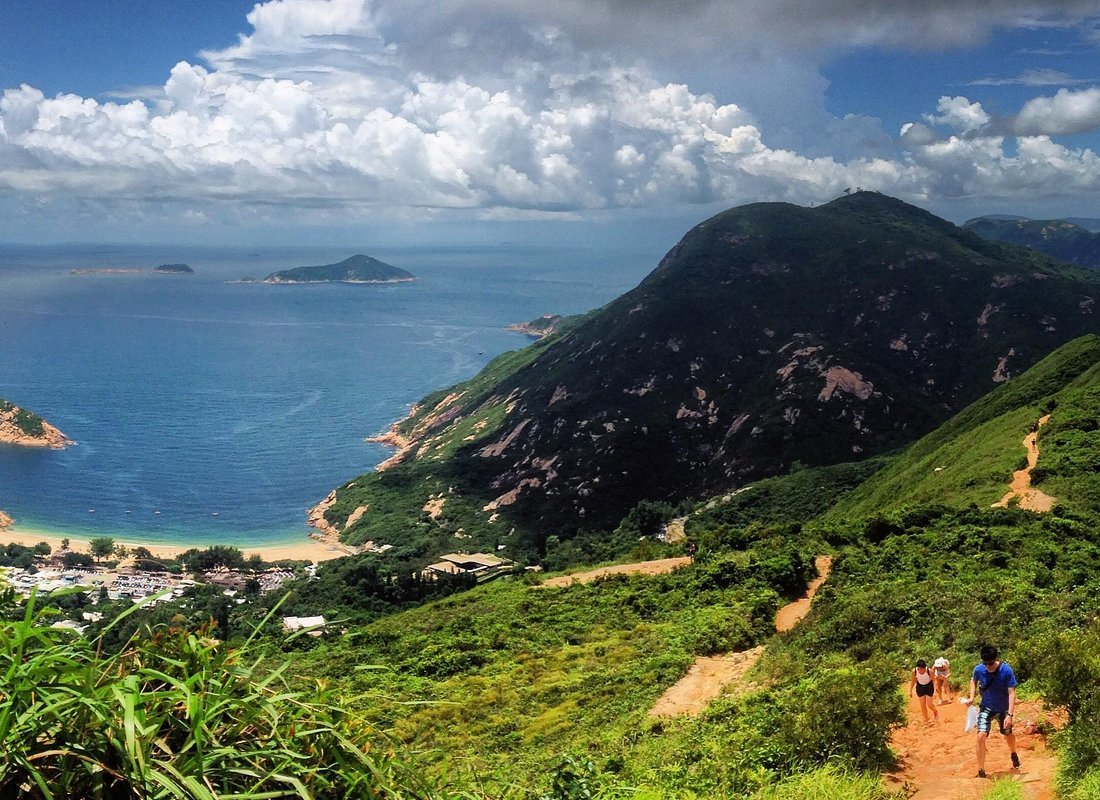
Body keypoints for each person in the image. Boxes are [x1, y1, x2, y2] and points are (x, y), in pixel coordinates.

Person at [966, 645, 1020, 778]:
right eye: (985, 664)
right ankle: (981, 770)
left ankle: (1013, 753)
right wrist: (972, 697)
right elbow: (973, 680)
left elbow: (1011, 693)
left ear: (995, 659)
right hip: (986, 707)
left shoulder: (1006, 671)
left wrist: (1010, 715)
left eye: (990, 664)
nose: (988, 667)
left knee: (1008, 734)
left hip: (1003, 709)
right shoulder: (979, 669)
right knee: (980, 736)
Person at [909, 659, 939, 723]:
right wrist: (910, 690)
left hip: (929, 686)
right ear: (918, 668)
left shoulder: (929, 671)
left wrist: (935, 692)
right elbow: (913, 681)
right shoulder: (914, 671)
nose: (922, 670)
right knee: (922, 704)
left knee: (929, 704)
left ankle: (935, 711)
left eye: (923, 668)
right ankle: (926, 719)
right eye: (920, 669)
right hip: (920, 687)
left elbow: (934, 681)